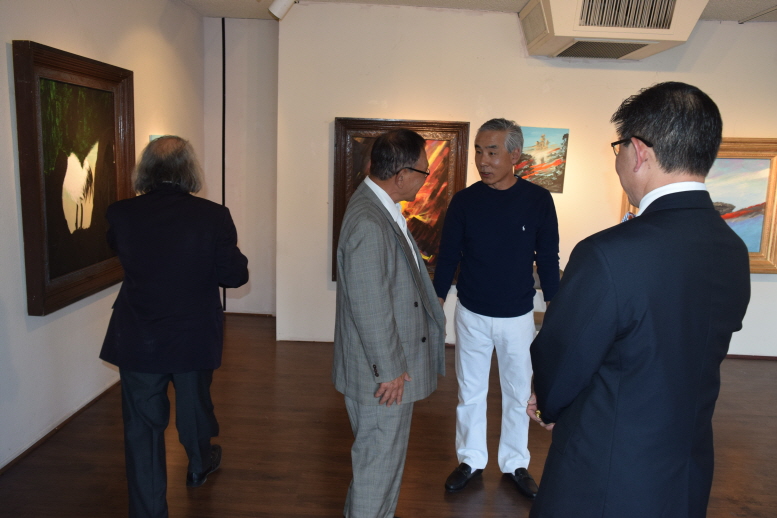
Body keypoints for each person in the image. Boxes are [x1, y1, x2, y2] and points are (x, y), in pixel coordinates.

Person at [528, 82, 751, 517]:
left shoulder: (608, 253)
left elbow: (562, 355)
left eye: (619, 148)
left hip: (604, 476)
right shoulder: (732, 249)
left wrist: (548, 404)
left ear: (638, 152)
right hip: (686, 474)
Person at [99, 136, 249, 518]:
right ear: (189, 170)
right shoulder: (213, 216)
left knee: (142, 429)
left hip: (138, 334)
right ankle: (198, 465)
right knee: (194, 405)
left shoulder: (120, 213)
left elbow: (121, 250)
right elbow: (234, 276)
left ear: (146, 170)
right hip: (192, 333)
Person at [433, 118, 560, 498]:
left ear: (514, 155)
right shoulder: (464, 201)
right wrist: (436, 300)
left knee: (519, 393)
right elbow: (448, 255)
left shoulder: (538, 201)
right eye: (478, 151)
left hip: (517, 316)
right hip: (471, 312)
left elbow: (548, 258)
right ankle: (471, 459)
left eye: (492, 152)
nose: (482, 161)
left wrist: (555, 304)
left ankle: (515, 463)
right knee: (470, 391)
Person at [332, 128, 446, 518]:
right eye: (424, 172)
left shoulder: (377, 206)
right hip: (382, 377)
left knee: (379, 465)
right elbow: (370, 304)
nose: (426, 178)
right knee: (377, 469)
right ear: (401, 174)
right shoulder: (369, 221)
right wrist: (391, 369)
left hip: (381, 371)